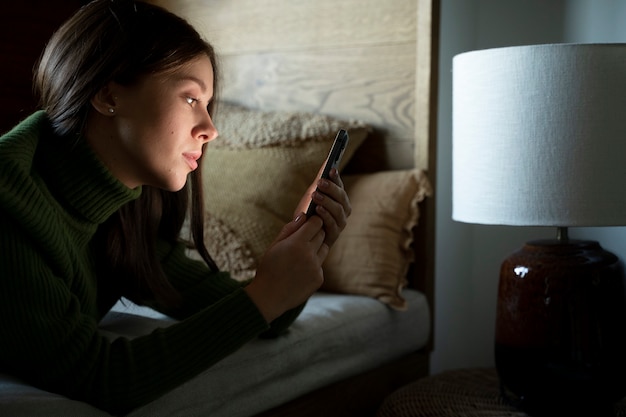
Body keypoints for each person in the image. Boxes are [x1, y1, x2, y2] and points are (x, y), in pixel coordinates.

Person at [0, 0, 351, 414]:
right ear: (107, 93)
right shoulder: (10, 208)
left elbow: (260, 314)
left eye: (207, 104)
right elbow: (101, 378)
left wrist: (304, 243)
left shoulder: (123, 212)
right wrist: (267, 294)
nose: (211, 129)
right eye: (190, 99)